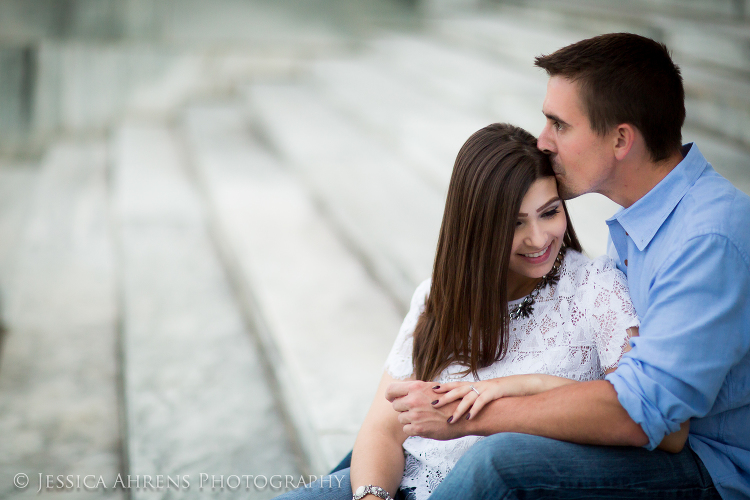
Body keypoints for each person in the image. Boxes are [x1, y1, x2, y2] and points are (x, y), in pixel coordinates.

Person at [387, 33, 750, 499]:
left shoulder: (706, 239)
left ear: (621, 139)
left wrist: (468, 417)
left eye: (559, 124)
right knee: (386, 458)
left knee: (500, 460)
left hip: (709, 467)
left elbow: (643, 411)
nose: (542, 141)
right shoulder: (648, 220)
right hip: (664, 443)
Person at [275, 122, 684, 500]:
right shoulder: (438, 296)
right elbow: (383, 428)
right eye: (515, 223)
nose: (539, 238)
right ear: (477, 226)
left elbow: (644, 414)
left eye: (550, 212)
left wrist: (531, 384)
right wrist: (370, 497)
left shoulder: (597, 289)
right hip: (403, 479)